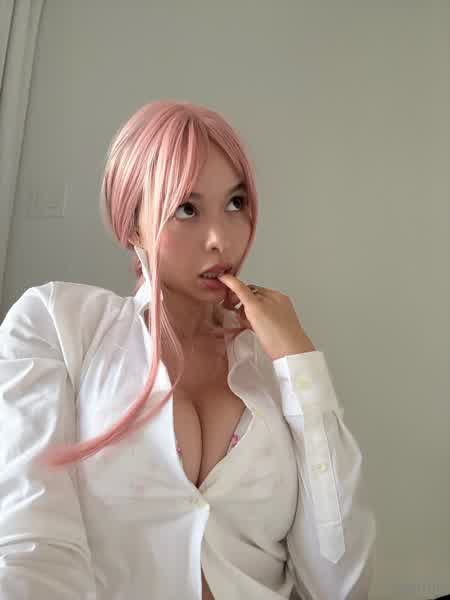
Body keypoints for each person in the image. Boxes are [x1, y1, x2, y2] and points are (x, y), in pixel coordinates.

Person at [0, 100, 377, 599]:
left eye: (236, 203)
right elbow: (30, 544)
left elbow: (339, 584)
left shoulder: (275, 368)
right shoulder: (57, 324)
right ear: (131, 223)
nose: (220, 238)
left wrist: (300, 361)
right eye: (187, 209)